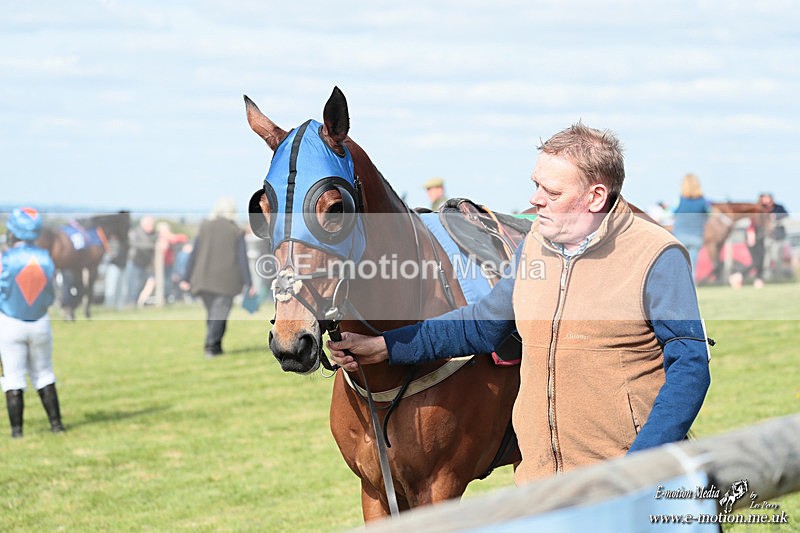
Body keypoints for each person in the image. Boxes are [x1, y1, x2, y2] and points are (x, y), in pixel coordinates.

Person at [328, 123, 711, 485]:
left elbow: (690, 366)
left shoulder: (656, 255)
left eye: (552, 192)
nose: (535, 199)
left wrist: (641, 466)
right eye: (536, 185)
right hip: (541, 487)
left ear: (595, 196)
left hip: (625, 481)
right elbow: (482, 324)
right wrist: (385, 347)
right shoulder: (535, 247)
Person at [1, 208, 65, 437]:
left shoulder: (5, 258)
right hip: (40, 323)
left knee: (12, 376)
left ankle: (17, 431)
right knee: (44, 373)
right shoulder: (46, 258)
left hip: (9, 322)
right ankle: (56, 425)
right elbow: (50, 295)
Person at [180, 198, 253, 358]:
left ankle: (216, 346)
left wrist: (185, 277)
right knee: (219, 314)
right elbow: (242, 259)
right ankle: (211, 346)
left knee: (213, 313)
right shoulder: (236, 230)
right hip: (226, 280)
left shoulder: (204, 226)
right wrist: (249, 282)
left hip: (203, 279)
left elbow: (194, 253)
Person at [671, 173, 709, 273]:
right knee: (692, 269)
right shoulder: (703, 202)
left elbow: (672, 213)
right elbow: (707, 215)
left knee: (678, 269)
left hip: (679, 238)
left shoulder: (679, 200)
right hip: (696, 238)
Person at [127, 216, 157, 307]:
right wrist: (152, 245)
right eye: (149, 225)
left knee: (142, 285)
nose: (151, 227)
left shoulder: (154, 234)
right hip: (135, 263)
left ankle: (137, 304)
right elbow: (134, 244)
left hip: (146, 265)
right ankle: (131, 304)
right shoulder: (135, 233)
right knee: (134, 285)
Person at [759, 193, 789, 281]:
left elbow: (786, 216)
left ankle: (778, 277)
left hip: (778, 237)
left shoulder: (779, 208)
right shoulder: (761, 209)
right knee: (766, 259)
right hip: (766, 237)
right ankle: (766, 278)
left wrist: (775, 217)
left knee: (777, 258)